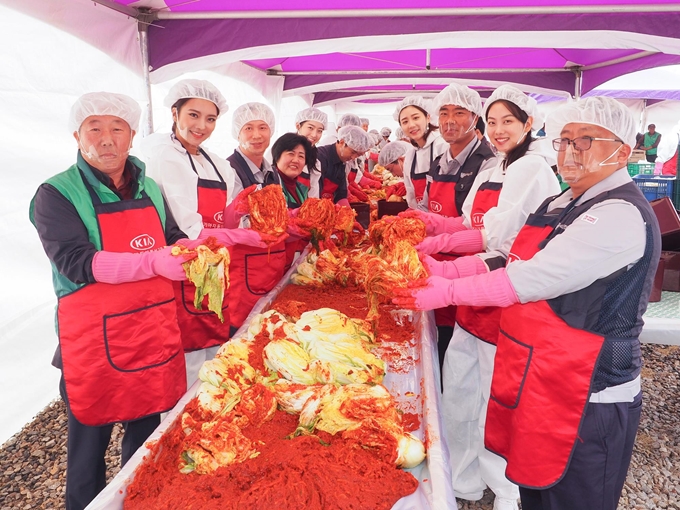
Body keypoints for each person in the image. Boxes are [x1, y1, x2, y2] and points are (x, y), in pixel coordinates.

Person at [394, 96, 659, 510]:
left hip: (590, 387)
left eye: (585, 141)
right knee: (536, 485)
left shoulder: (618, 214)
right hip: (545, 374)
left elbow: (531, 279)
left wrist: (446, 291)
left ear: (622, 151)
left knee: (573, 494)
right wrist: (447, 270)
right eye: (564, 140)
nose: (570, 152)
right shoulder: (562, 202)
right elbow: (508, 254)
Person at [29, 92, 190, 510]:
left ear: (132, 136)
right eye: (94, 129)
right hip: (92, 342)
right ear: (77, 136)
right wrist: (153, 262)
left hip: (148, 331)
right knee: (87, 448)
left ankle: (137, 499)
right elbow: (75, 262)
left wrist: (199, 249)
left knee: (144, 440)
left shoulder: (149, 187)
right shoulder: (55, 193)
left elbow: (172, 238)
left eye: (117, 128)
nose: (106, 139)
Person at [410, 85, 560, 510]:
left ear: (529, 123)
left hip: (505, 294)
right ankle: (464, 481)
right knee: (458, 389)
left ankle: (506, 490)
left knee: (496, 399)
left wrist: (445, 262)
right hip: (472, 298)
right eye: (492, 122)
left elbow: (499, 240)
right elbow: (471, 224)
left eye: (508, 122)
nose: (498, 130)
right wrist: (435, 232)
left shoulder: (532, 167)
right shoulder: (496, 166)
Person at [140, 79, 271, 387]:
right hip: (181, 266)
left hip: (215, 267)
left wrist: (241, 214)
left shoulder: (213, 161)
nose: (201, 125)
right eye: (193, 115)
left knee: (215, 353)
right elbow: (183, 228)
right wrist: (233, 237)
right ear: (175, 113)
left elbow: (225, 213)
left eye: (210, 119)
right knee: (186, 360)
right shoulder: (162, 155)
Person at [417, 83, 499, 377]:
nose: (450, 120)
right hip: (437, 261)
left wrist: (438, 237)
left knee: (459, 348)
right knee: (437, 337)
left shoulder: (489, 164)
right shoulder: (440, 161)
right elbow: (430, 207)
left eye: (459, 112)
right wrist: (420, 221)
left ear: (475, 118)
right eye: (444, 112)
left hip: (469, 266)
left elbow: (479, 227)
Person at [224, 102, 288, 331]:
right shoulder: (229, 170)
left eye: (263, 127)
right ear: (237, 133)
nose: (257, 135)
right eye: (248, 128)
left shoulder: (271, 172)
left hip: (270, 264)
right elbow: (230, 223)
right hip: (244, 268)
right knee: (244, 331)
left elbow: (277, 216)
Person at [394, 96, 448, 211]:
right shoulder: (411, 155)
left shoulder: (443, 146)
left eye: (416, 118)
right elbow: (411, 196)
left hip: (445, 217)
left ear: (428, 118)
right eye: (405, 121)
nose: (411, 125)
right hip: (422, 220)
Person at [316, 125, 372, 205]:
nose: (353, 158)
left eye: (357, 155)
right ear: (342, 142)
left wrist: (346, 211)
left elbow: (341, 194)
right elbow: (313, 194)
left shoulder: (342, 161)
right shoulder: (320, 157)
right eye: (353, 152)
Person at [294, 107, 327, 198]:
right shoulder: (280, 150)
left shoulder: (315, 162)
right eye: (310, 128)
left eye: (319, 131)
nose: (314, 135)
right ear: (298, 126)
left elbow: (313, 195)